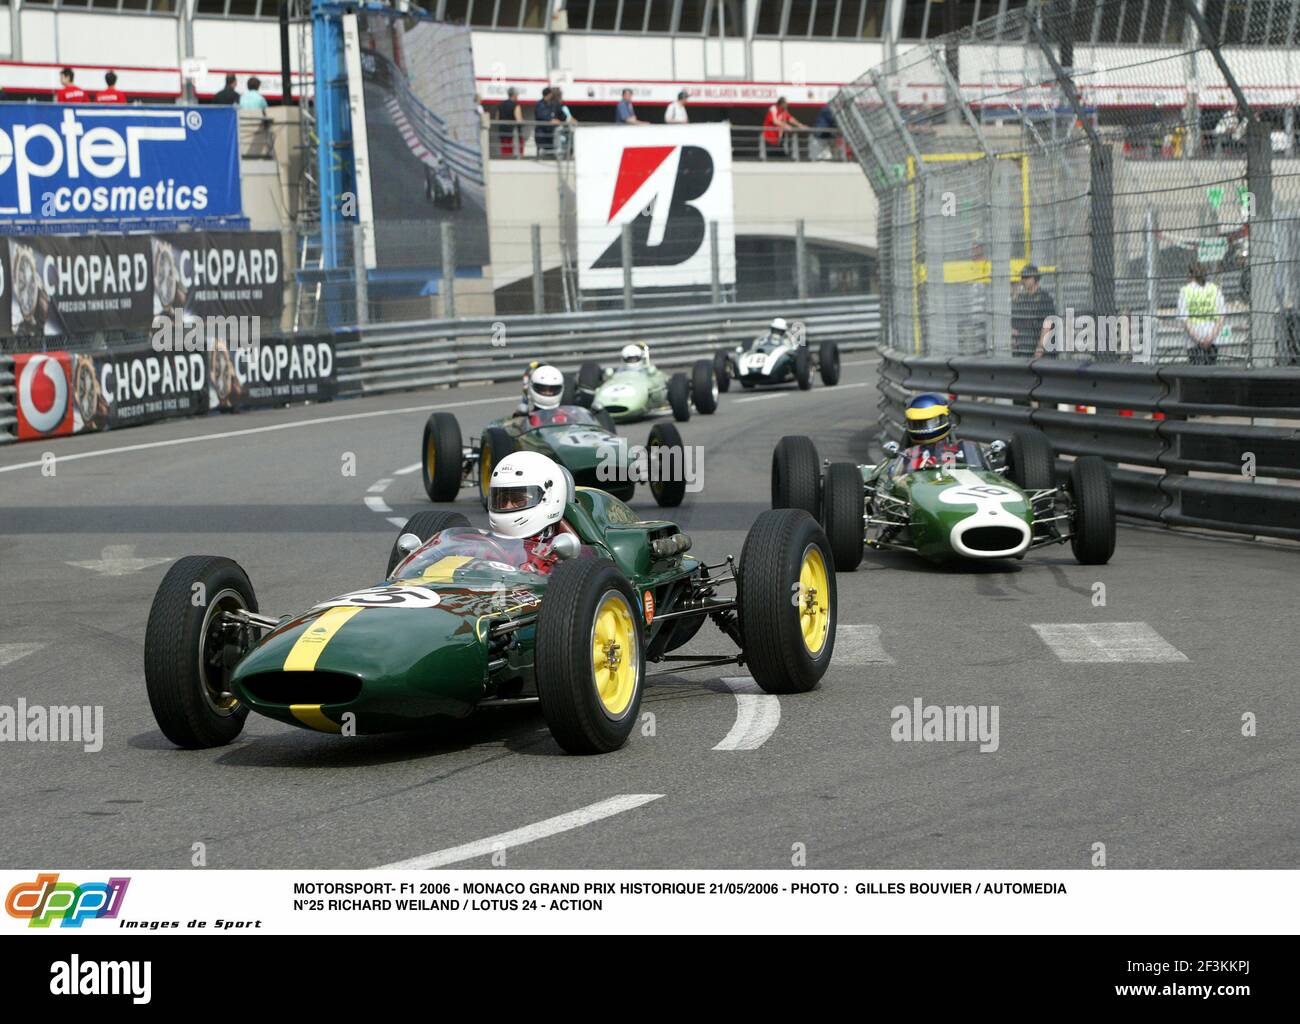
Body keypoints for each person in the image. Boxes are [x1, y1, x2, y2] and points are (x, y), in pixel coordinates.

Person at [1178, 260, 1226, 365]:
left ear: (1190, 274)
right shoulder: (1215, 290)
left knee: (1195, 370)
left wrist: (1199, 339)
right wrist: (1210, 338)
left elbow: (1185, 320)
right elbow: (1221, 317)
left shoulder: (1185, 291)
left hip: (1193, 341)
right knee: (1211, 369)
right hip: (1212, 338)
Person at [1010, 264, 1056, 358]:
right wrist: (1014, 341)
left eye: (1027, 277)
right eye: (1023, 277)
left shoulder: (1044, 298)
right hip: (1024, 349)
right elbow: (1015, 326)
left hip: (1041, 350)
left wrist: (1040, 347)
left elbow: (1047, 326)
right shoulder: (1021, 299)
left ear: (1035, 278)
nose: (1024, 280)